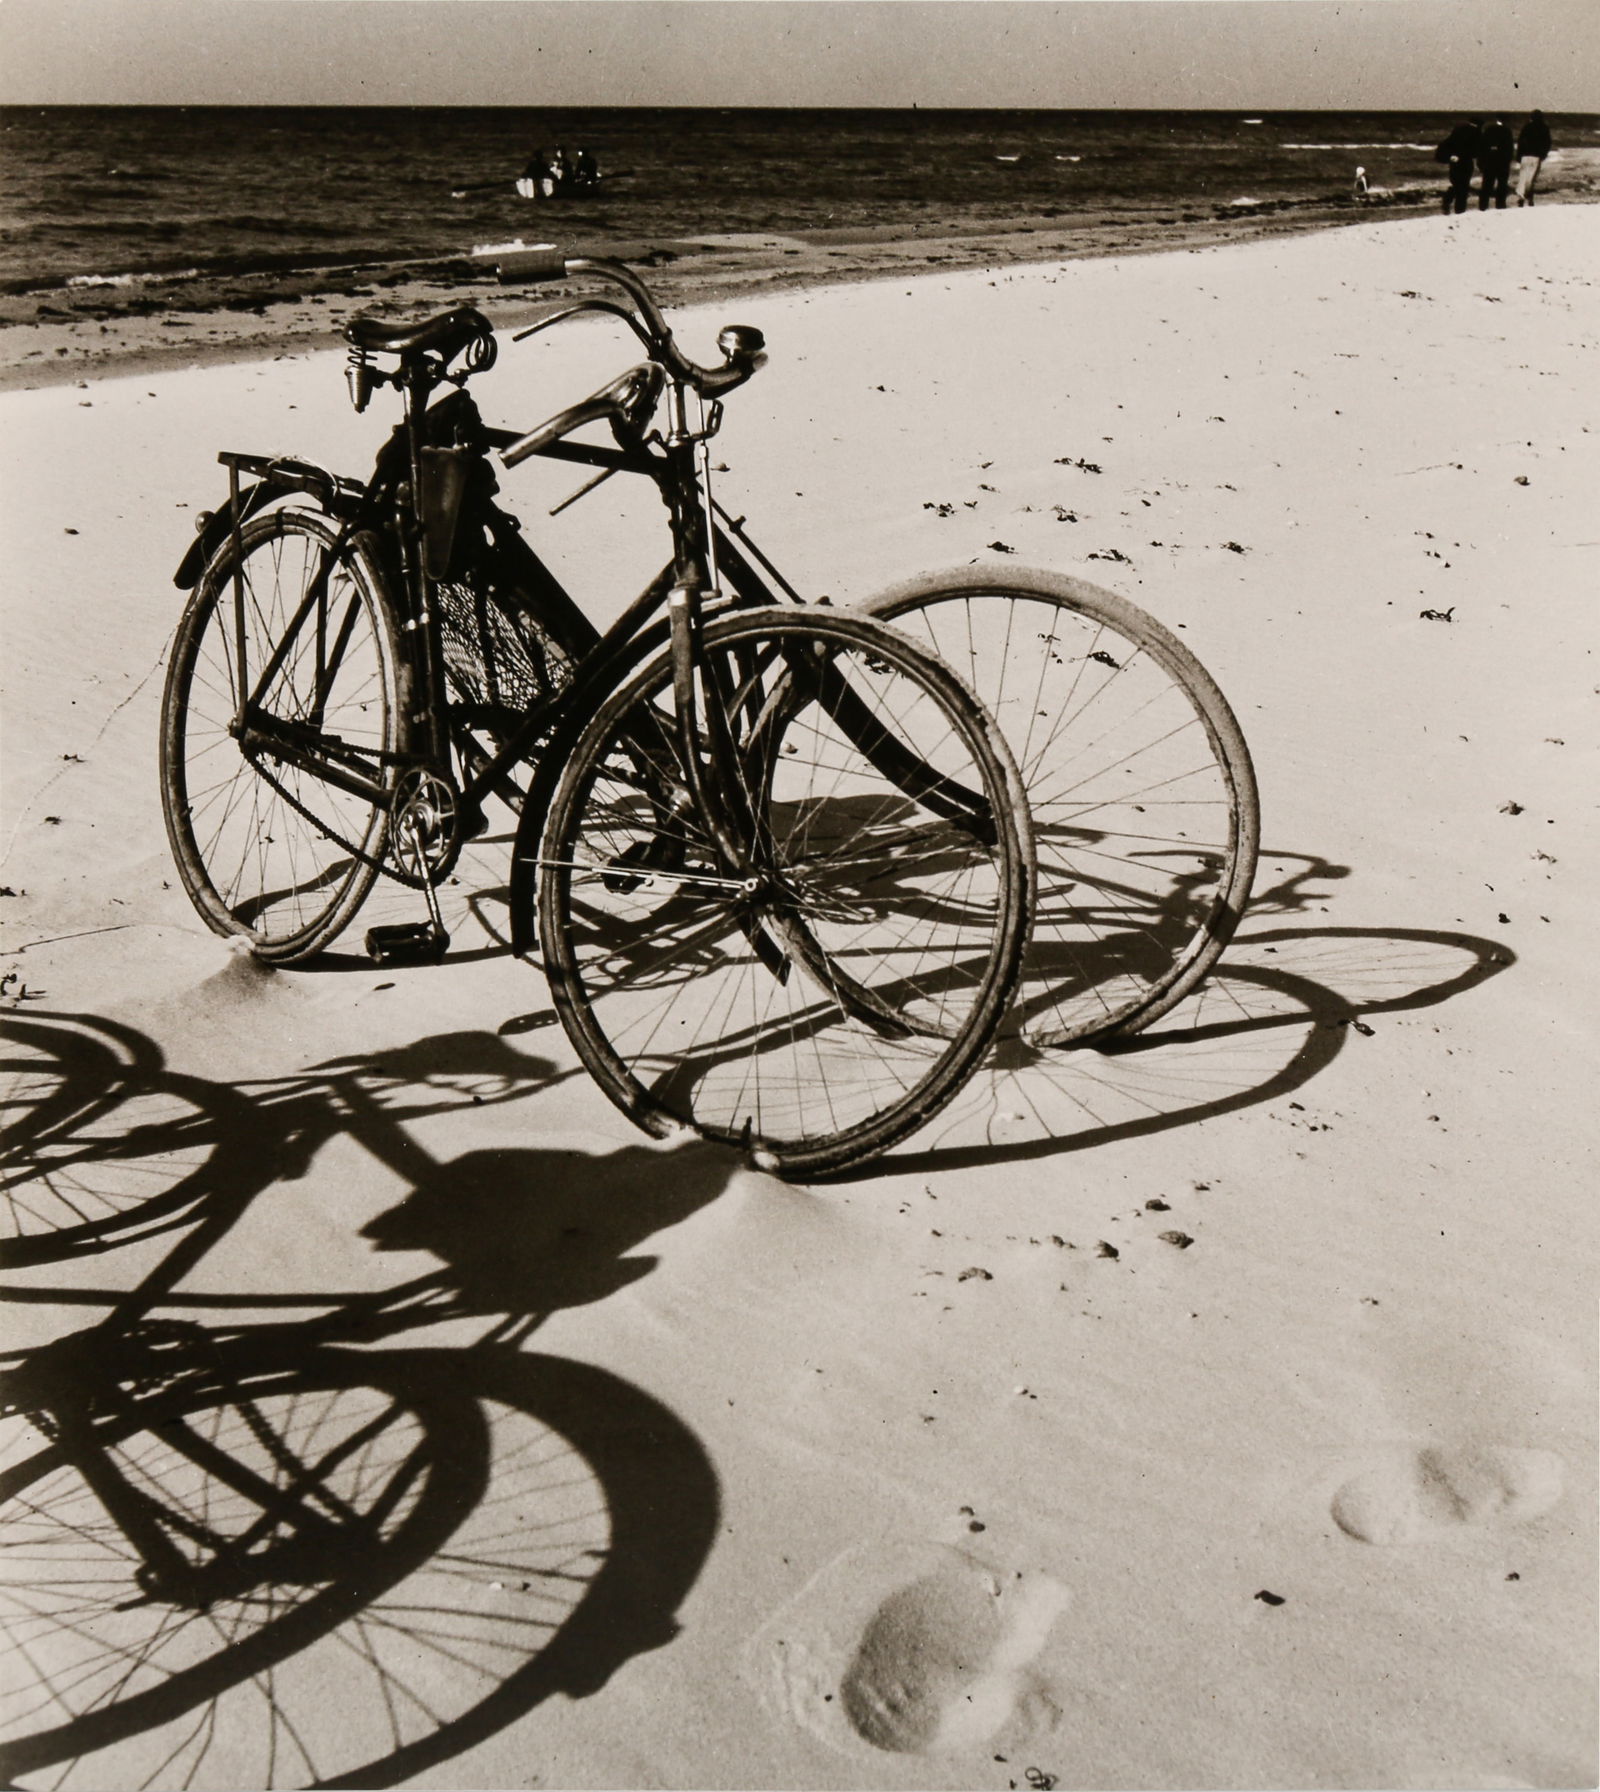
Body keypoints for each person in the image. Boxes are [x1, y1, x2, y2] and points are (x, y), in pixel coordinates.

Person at [1436, 119, 1482, 214]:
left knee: (1458, 186)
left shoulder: (1459, 131)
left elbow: (1445, 146)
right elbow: (1477, 151)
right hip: (1465, 163)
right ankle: (1458, 209)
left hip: (1457, 163)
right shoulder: (1476, 133)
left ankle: (1448, 200)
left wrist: (1450, 156)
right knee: (1462, 187)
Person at [1477, 116, 1515, 210]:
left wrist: (1481, 162)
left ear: (1497, 120)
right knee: (1502, 184)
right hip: (1502, 161)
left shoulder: (1488, 130)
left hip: (1489, 160)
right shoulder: (1507, 131)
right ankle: (1500, 204)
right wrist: (1508, 160)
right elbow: (1510, 148)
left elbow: (1482, 147)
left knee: (1487, 184)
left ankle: (1483, 206)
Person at [1516, 110, 1552, 205]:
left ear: (1531, 118)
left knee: (1523, 177)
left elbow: (1520, 141)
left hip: (1525, 155)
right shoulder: (1544, 128)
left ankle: (1521, 196)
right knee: (1531, 178)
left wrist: (1518, 155)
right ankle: (1529, 197)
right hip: (1536, 156)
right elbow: (1547, 143)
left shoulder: (1526, 127)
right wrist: (1544, 154)